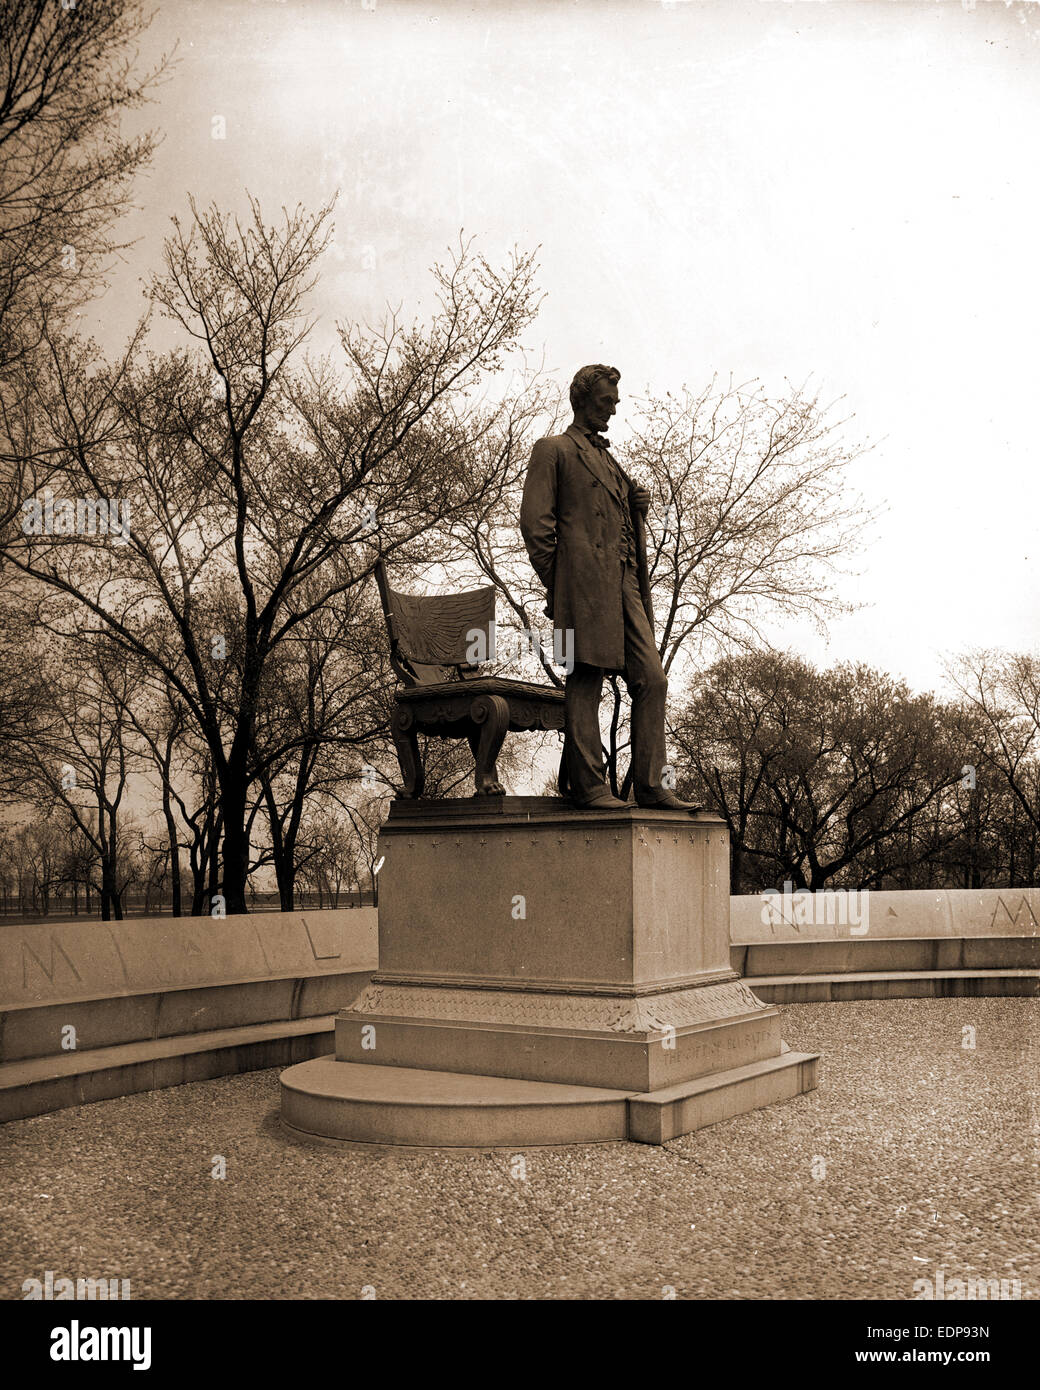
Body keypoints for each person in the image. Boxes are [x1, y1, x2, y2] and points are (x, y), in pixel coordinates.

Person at [520, 364, 696, 810]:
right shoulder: (553, 450)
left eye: (615, 405)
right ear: (582, 400)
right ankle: (590, 785)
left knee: (652, 679)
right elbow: (536, 528)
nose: (612, 412)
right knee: (586, 676)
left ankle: (651, 785)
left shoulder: (612, 462)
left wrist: (638, 506)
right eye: (605, 403)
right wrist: (561, 587)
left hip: (624, 585)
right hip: (581, 587)